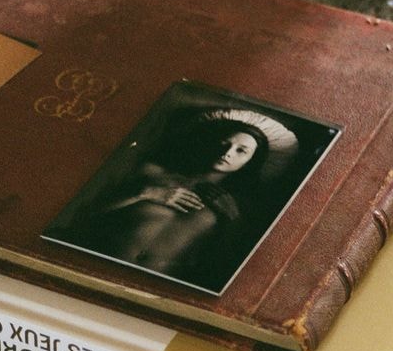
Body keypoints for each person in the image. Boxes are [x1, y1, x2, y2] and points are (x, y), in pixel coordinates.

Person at [79, 106, 299, 291]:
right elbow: (88, 212)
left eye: (241, 151)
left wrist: (233, 221)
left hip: (158, 288)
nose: (228, 152)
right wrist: (147, 193)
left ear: (251, 161)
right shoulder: (153, 174)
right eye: (225, 143)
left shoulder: (238, 207)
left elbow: (227, 266)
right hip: (99, 265)